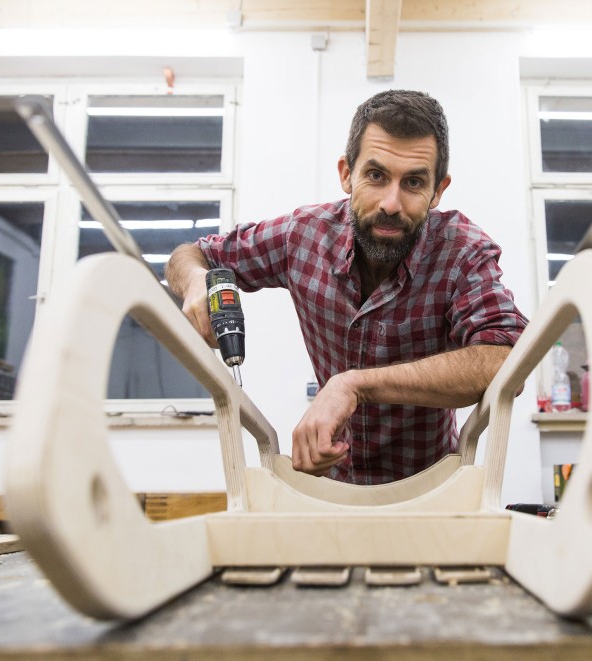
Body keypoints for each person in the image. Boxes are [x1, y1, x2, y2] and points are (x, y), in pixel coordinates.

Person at [166, 90, 528, 485]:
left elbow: (507, 360)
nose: (391, 203)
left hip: (430, 487)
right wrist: (197, 281)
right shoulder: (301, 236)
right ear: (346, 174)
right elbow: (192, 254)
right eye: (376, 176)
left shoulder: (462, 251)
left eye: (413, 182)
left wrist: (354, 384)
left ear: (438, 190)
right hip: (331, 483)